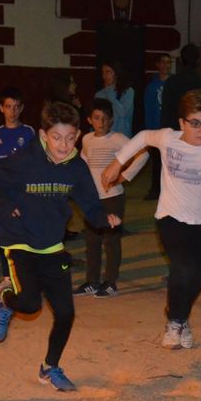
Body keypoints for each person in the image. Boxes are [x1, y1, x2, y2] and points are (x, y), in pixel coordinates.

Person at [0, 101, 120, 391]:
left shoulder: (77, 168)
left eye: (70, 138)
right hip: (19, 242)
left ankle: (49, 368)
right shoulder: (24, 160)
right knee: (30, 304)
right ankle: (4, 301)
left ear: (78, 135)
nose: (63, 145)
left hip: (52, 246)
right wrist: (6, 204)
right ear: (44, 135)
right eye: (57, 138)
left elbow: (90, 205)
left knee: (66, 313)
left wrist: (104, 219)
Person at [102, 89, 201, 349]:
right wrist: (117, 163)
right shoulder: (168, 138)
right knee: (182, 269)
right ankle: (175, 322)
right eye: (195, 123)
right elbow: (143, 137)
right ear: (182, 123)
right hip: (171, 217)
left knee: (197, 278)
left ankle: (181, 316)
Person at [77, 98, 148, 298]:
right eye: (97, 118)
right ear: (89, 120)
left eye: (106, 118)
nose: (101, 122)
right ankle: (92, 281)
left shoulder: (118, 139)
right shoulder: (86, 139)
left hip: (112, 198)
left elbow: (142, 155)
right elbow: (83, 159)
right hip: (92, 200)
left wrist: (123, 177)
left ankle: (110, 282)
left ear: (112, 120)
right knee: (92, 241)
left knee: (111, 241)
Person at [0, 87, 36, 280]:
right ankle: (8, 278)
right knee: (4, 237)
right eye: (8, 107)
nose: (12, 111)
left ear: (22, 108)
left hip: (23, 195)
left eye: (16, 107)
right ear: (1, 108)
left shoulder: (29, 132)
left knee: (25, 236)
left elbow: (34, 166)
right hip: (3, 197)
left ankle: (27, 277)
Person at [142, 53, 172, 200]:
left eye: (168, 62)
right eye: (163, 62)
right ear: (157, 65)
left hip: (171, 129)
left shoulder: (174, 83)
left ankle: (171, 190)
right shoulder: (151, 87)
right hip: (156, 128)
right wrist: (150, 130)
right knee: (156, 161)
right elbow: (148, 108)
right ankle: (155, 189)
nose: (165, 65)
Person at [95, 61, 135, 137]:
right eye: (103, 73)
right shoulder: (99, 95)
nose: (105, 76)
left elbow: (122, 113)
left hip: (122, 137)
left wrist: (109, 92)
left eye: (108, 72)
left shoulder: (128, 92)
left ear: (116, 74)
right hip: (105, 137)